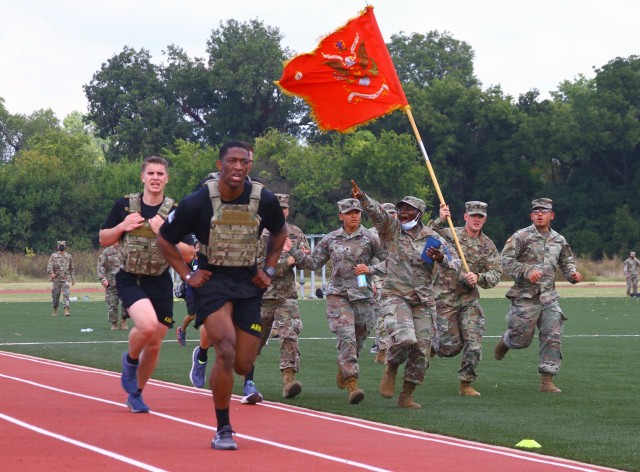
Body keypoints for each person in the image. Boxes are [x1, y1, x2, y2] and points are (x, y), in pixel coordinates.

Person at [157, 140, 288, 451]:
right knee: (225, 349)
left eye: (245, 162)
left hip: (248, 283)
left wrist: (268, 270)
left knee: (243, 364)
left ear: (250, 166)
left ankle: (227, 377)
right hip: (211, 281)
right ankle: (223, 427)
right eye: (232, 161)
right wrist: (188, 274)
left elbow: (280, 232)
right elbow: (164, 239)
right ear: (220, 165)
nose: (239, 167)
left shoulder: (263, 200)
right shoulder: (198, 202)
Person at [352, 181, 460, 409]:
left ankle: (407, 394)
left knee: (422, 350)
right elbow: (377, 213)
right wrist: (363, 197)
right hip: (395, 295)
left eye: (408, 209)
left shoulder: (433, 237)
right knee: (405, 338)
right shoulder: (391, 230)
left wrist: (441, 259)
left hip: (423, 301)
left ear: (419, 213)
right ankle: (391, 365)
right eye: (400, 209)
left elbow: (456, 263)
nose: (403, 212)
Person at [99, 155, 182, 414]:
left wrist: (164, 234)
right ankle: (130, 359)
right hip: (130, 276)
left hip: (160, 279)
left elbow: (189, 253)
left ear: (166, 178)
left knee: (155, 343)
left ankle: (136, 394)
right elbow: (103, 238)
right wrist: (122, 226)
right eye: (151, 173)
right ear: (142, 177)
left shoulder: (175, 212)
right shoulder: (125, 205)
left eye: (160, 173)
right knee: (145, 326)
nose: (155, 177)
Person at [289, 198, 386, 405]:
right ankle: (352, 384)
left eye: (357, 212)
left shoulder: (370, 238)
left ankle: (344, 367)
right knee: (347, 337)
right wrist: (292, 250)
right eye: (349, 212)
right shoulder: (330, 239)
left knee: (358, 340)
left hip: (363, 296)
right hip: (338, 295)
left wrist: (371, 269)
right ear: (340, 215)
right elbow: (313, 263)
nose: (354, 215)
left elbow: (390, 261)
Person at [495, 198, 583, 393]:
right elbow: (505, 261)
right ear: (531, 215)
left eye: (544, 211)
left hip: (549, 297)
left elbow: (566, 262)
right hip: (525, 297)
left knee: (553, 335)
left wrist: (572, 275)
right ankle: (507, 340)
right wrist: (527, 270)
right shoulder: (521, 236)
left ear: (552, 215)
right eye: (536, 212)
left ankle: (547, 380)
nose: (540, 214)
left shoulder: (559, 239)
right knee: (522, 340)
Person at [429, 201, 502, 396]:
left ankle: (466, 383)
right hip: (444, 299)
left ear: (485, 219)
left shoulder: (488, 246)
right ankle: (432, 344)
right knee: (449, 348)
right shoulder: (449, 234)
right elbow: (423, 236)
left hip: (468, 299)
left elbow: (495, 273)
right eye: (473, 216)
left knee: (474, 342)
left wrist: (480, 278)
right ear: (465, 217)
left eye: (480, 216)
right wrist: (440, 219)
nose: (476, 219)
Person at [244, 193, 311, 400]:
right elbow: (253, 264)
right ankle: (248, 379)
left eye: (284, 208)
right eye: (278, 208)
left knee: (289, 335)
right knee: (253, 341)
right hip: (260, 296)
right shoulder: (255, 232)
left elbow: (307, 262)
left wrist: (296, 258)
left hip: (286, 296)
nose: (281, 212)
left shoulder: (295, 233)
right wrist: (286, 262)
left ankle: (289, 380)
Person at [369, 203, 396, 363]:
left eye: (394, 213)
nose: (392, 216)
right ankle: (382, 347)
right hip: (377, 279)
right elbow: (363, 260)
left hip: (396, 280)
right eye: (389, 213)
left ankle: (384, 344)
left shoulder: (400, 233)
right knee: (382, 314)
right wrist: (367, 282)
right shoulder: (372, 235)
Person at [97, 242, 129, 330]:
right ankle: (114, 322)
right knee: (112, 304)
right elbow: (100, 266)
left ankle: (123, 321)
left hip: (124, 282)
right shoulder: (107, 252)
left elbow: (130, 266)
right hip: (111, 282)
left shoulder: (126, 251)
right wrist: (103, 279)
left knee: (126, 303)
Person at [47, 240, 75, 316]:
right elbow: (49, 265)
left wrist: (73, 279)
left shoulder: (69, 256)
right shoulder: (53, 256)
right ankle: (55, 309)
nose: (61, 246)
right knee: (55, 295)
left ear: (65, 246)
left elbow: (72, 268)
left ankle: (66, 310)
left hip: (65, 278)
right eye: (60, 245)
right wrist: (51, 273)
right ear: (58, 246)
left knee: (66, 294)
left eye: (63, 245)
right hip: (56, 279)